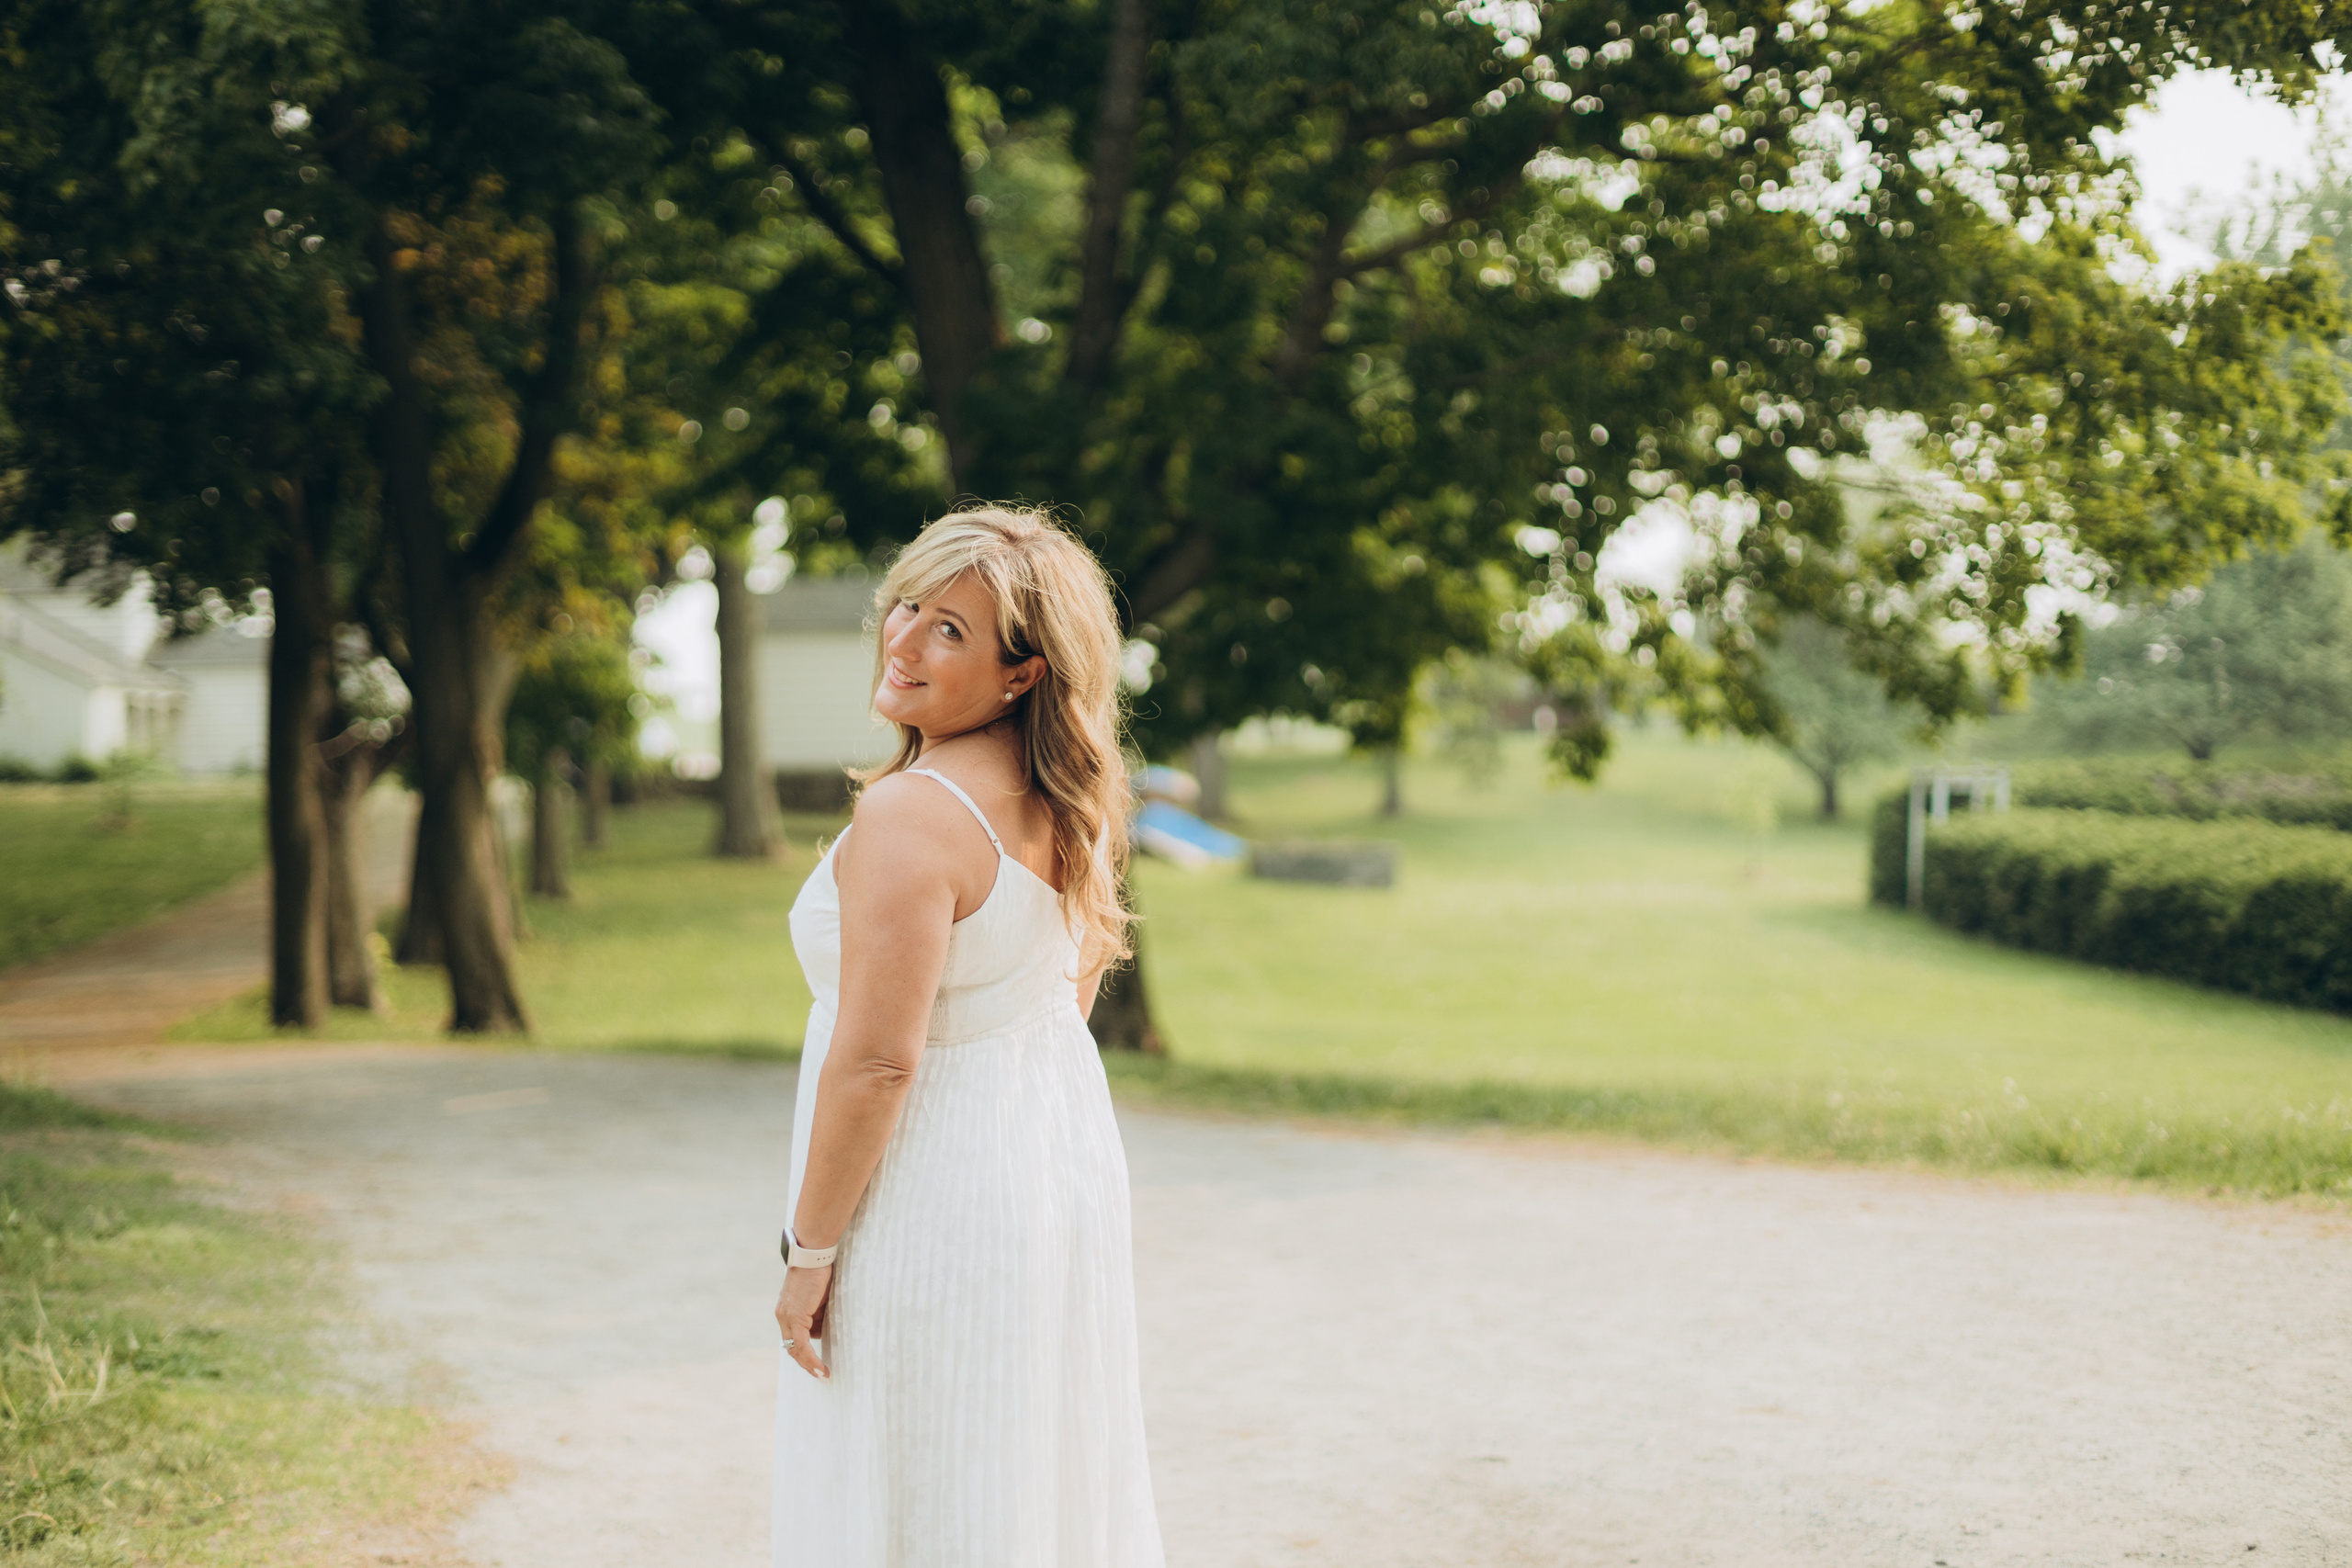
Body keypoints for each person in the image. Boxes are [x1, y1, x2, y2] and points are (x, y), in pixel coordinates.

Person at [772, 506, 1165, 1566]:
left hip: (926, 1202)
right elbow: (1057, 1001)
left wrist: (808, 1253)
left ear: (1020, 673)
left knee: (914, 1494)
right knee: (1016, 1488)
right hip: (1045, 1185)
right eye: (907, 604)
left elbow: (879, 1059)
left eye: (950, 629)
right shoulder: (1067, 802)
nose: (901, 640)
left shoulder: (911, 815)